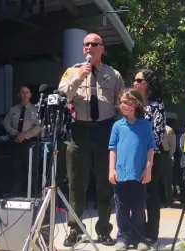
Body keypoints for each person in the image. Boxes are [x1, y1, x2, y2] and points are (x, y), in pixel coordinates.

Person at [58, 33, 124, 246]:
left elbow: (122, 104)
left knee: (105, 183)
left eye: (94, 44)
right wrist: (79, 77)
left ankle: (104, 229)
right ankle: (75, 229)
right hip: (79, 131)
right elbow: (62, 97)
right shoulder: (71, 71)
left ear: (102, 48)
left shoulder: (113, 74)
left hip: (105, 130)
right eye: (86, 44)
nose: (89, 48)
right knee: (76, 182)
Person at [108, 88, 155, 251]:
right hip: (121, 174)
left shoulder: (145, 125)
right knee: (121, 207)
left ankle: (139, 237)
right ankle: (122, 237)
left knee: (139, 207)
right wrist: (111, 169)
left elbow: (150, 149)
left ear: (135, 105)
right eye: (121, 102)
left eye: (126, 103)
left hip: (139, 174)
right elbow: (112, 148)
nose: (122, 105)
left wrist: (148, 169)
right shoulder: (117, 126)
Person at [133, 69, 166, 243]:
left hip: (152, 156)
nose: (135, 83)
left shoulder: (157, 105)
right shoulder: (134, 105)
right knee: (136, 195)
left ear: (148, 84)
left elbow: (157, 134)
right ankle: (136, 230)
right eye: (134, 80)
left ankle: (151, 232)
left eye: (139, 80)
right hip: (134, 156)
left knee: (151, 194)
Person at [3, 86, 40, 195]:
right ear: (18, 94)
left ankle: (33, 192)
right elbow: (6, 124)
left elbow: (39, 126)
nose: (24, 95)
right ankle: (14, 192)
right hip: (16, 142)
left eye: (27, 93)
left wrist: (26, 135)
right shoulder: (13, 110)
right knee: (15, 168)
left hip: (31, 143)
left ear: (30, 95)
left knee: (32, 169)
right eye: (22, 93)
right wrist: (16, 134)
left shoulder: (35, 110)